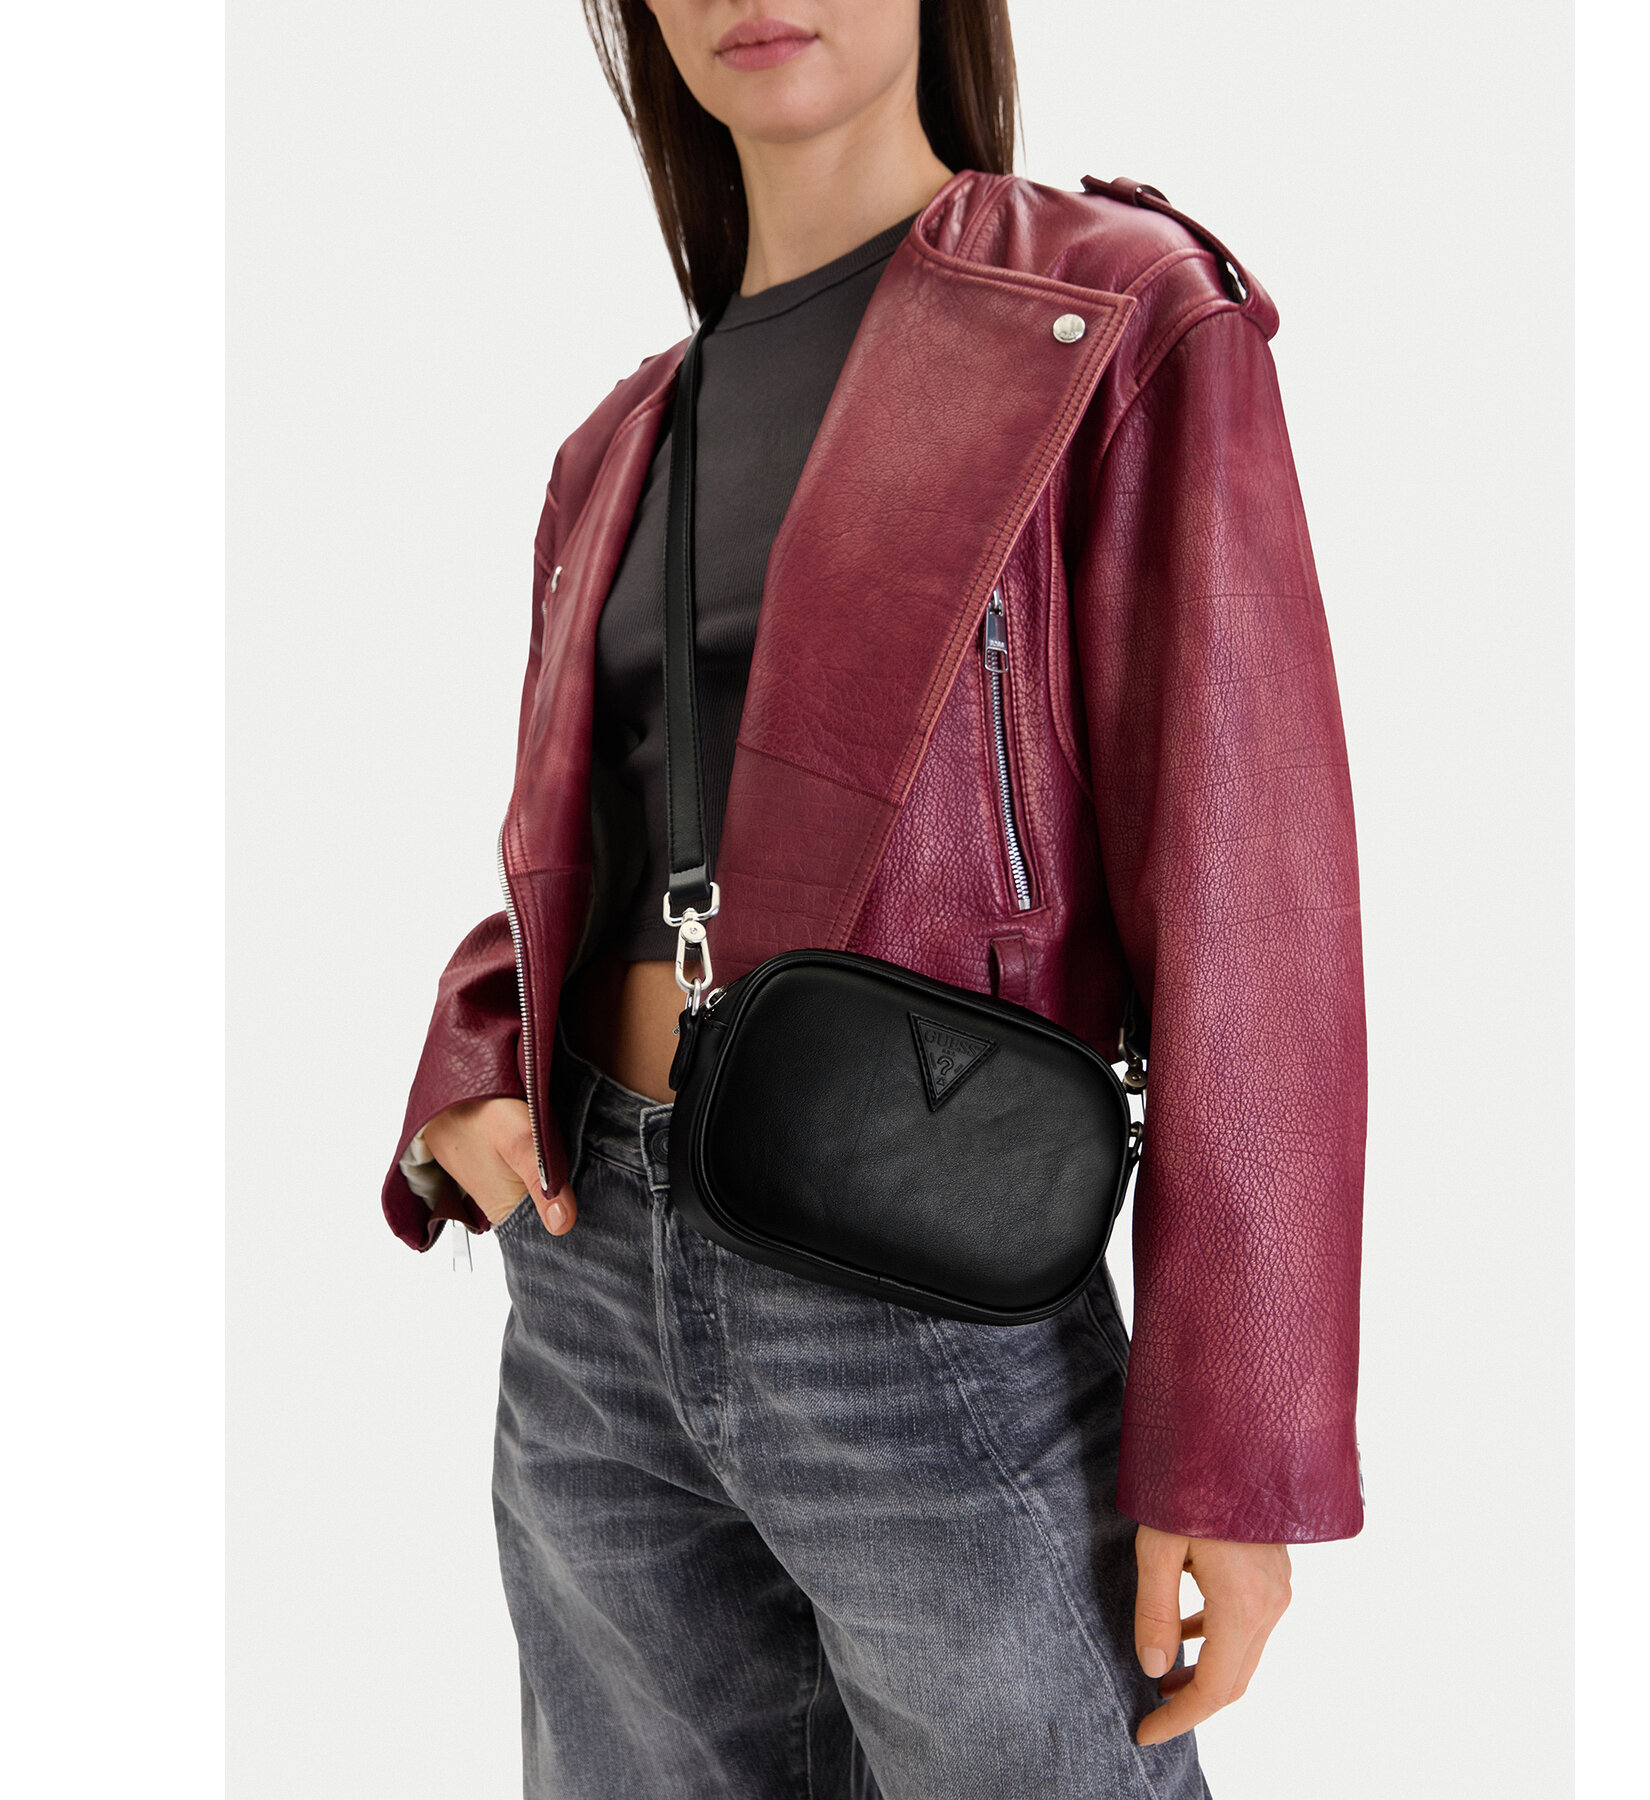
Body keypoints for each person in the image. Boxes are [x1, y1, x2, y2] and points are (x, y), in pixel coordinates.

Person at [382, 2, 1367, 1794]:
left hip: (918, 1284)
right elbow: (579, 851)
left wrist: (1233, 1448)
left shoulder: (1118, 316)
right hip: (588, 1298)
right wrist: (469, 1068)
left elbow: (1253, 894)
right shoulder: (619, 443)